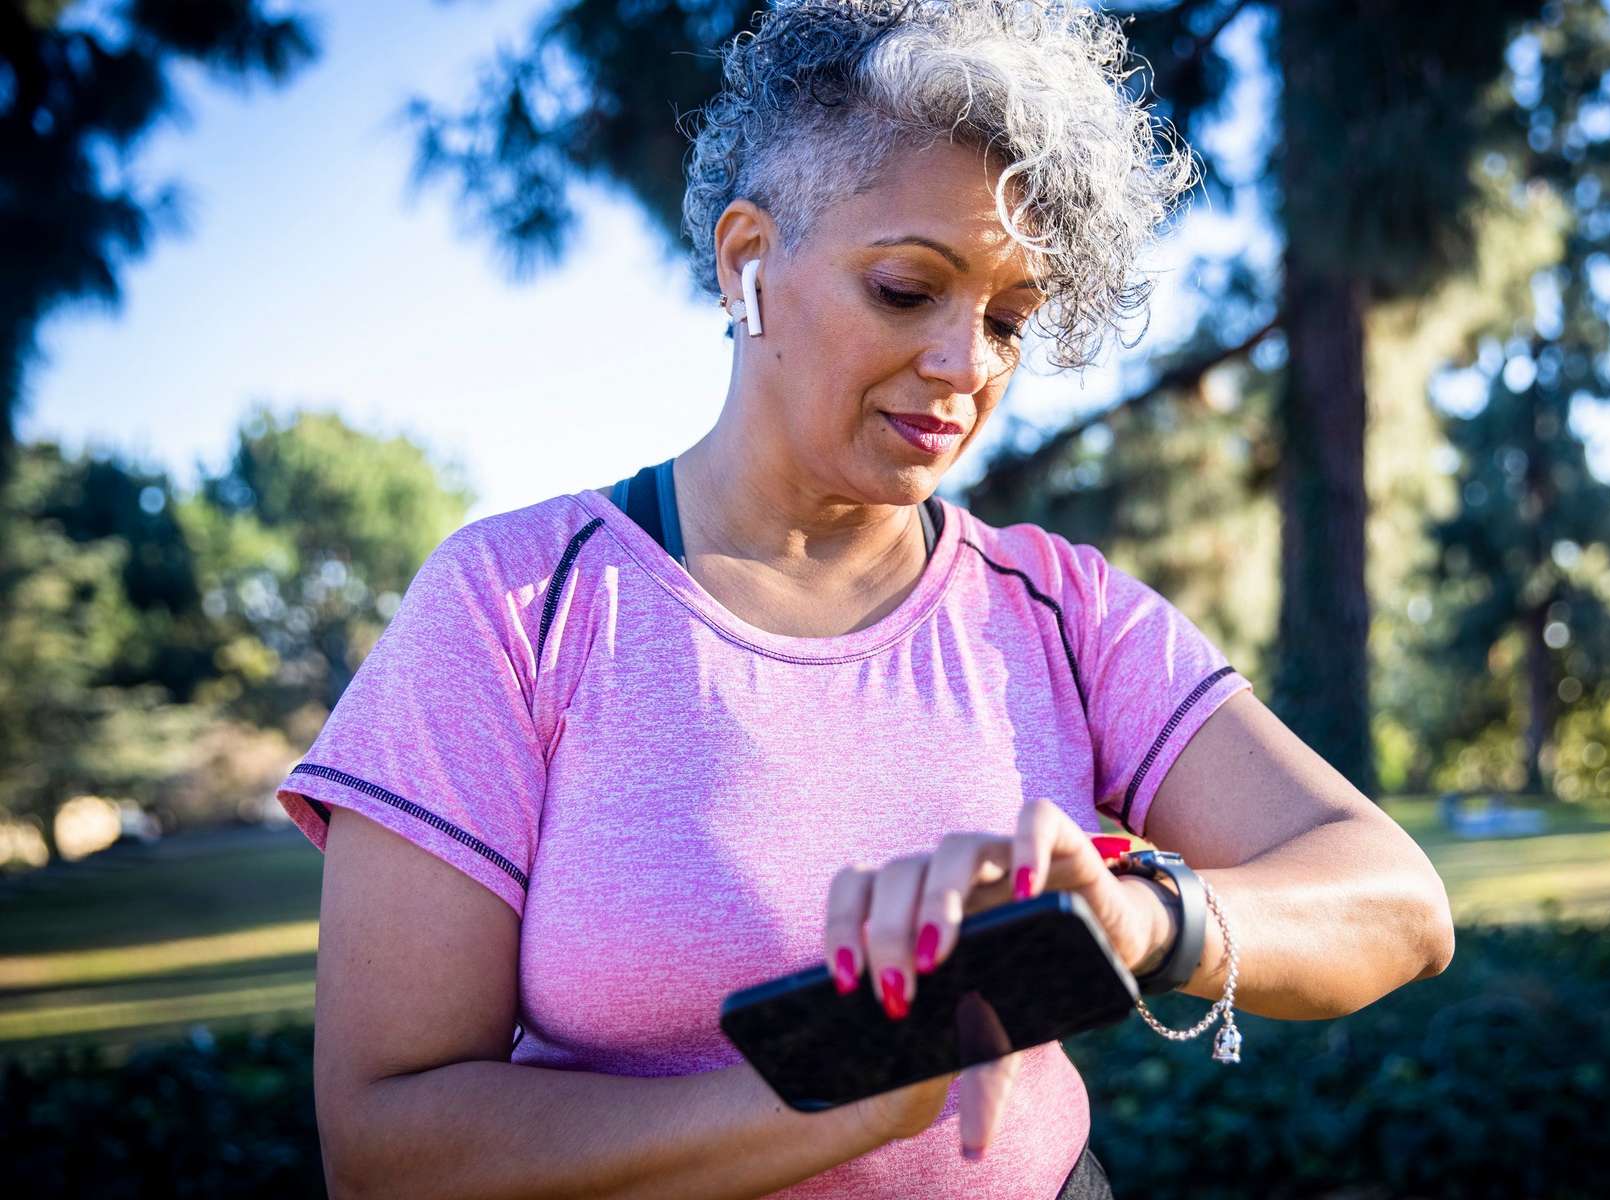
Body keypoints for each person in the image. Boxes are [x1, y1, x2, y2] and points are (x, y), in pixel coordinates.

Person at [276, 2, 1456, 1197]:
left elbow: (1397, 902)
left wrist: (1139, 922)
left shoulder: (1059, 609)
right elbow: (388, 1148)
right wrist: (846, 1083)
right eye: (906, 290)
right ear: (748, 262)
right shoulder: (516, 605)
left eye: (1007, 319)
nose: (967, 366)